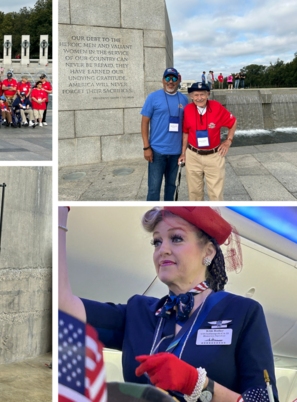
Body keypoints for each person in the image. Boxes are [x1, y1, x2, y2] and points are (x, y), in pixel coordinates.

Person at [58, 205, 278, 402]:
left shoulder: (243, 313)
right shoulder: (138, 312)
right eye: (157, 241)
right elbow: (63, 308)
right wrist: (60, 214)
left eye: (176, 238)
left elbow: (263, 401)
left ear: (208, 252)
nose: (162, 249)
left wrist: (198, 385)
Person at [179, 82, 236, 201]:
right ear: (191, 96)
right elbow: (185, 132)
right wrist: (183, 153)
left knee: (216, 194)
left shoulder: (216, 107)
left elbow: (233, 121)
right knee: (194, 193)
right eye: (196, 95)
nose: (199, 98)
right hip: (193, 155)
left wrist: (228, 141)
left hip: (214, 156)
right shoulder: (188, 109)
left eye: (202, 94)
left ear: (208, 94)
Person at [140, 68, 189, 201]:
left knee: (171, 186)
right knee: (154, 188)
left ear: (178, 81)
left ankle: (168, 213)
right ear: (163, 80)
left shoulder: (184, 99)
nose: (170, 81)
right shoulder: (153, 97)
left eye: (174, 78)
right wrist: (146, 147)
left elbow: (187, 126)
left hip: (176, 152)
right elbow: (144, 123)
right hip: (157, 152)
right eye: (167, 78)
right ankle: (153, 215)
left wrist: (184, 151)